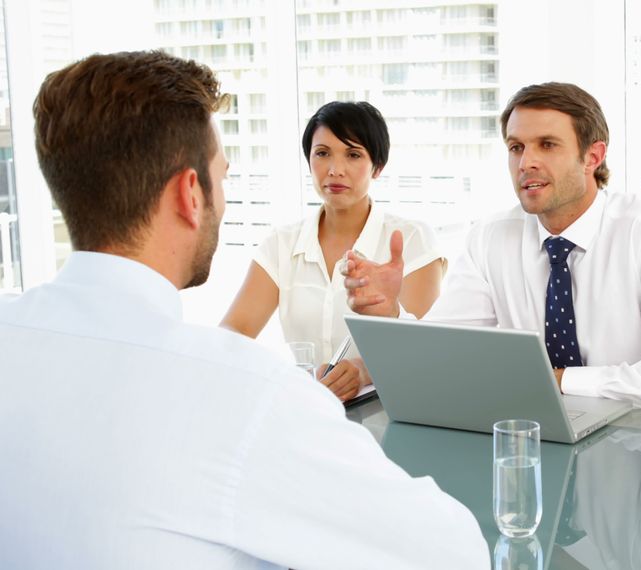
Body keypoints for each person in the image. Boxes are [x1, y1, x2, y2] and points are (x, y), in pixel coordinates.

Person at [0, 51, 486, 568]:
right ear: (192, 193)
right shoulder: (252, 399)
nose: (335, 169)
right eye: (223, 178)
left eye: (352, 154)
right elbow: (455, 550)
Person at [343, 82, 641, 412]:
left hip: (637, 448)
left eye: (547, 145)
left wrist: (558, 380)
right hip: (531, 437)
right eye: (516, 147)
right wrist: (391, 312)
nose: (526, 162)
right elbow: (443, 352)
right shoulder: (491, 237)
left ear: (593, 156)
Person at [221, 101, 445, 402]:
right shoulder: (282, 244)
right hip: (306, 411)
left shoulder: (411, 240)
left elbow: (426, 349)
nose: (335, 170)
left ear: (377, 167)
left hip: (391, 413)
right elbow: (234, 332)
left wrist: (363, 370)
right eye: (322, 153)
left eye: (353, 155)